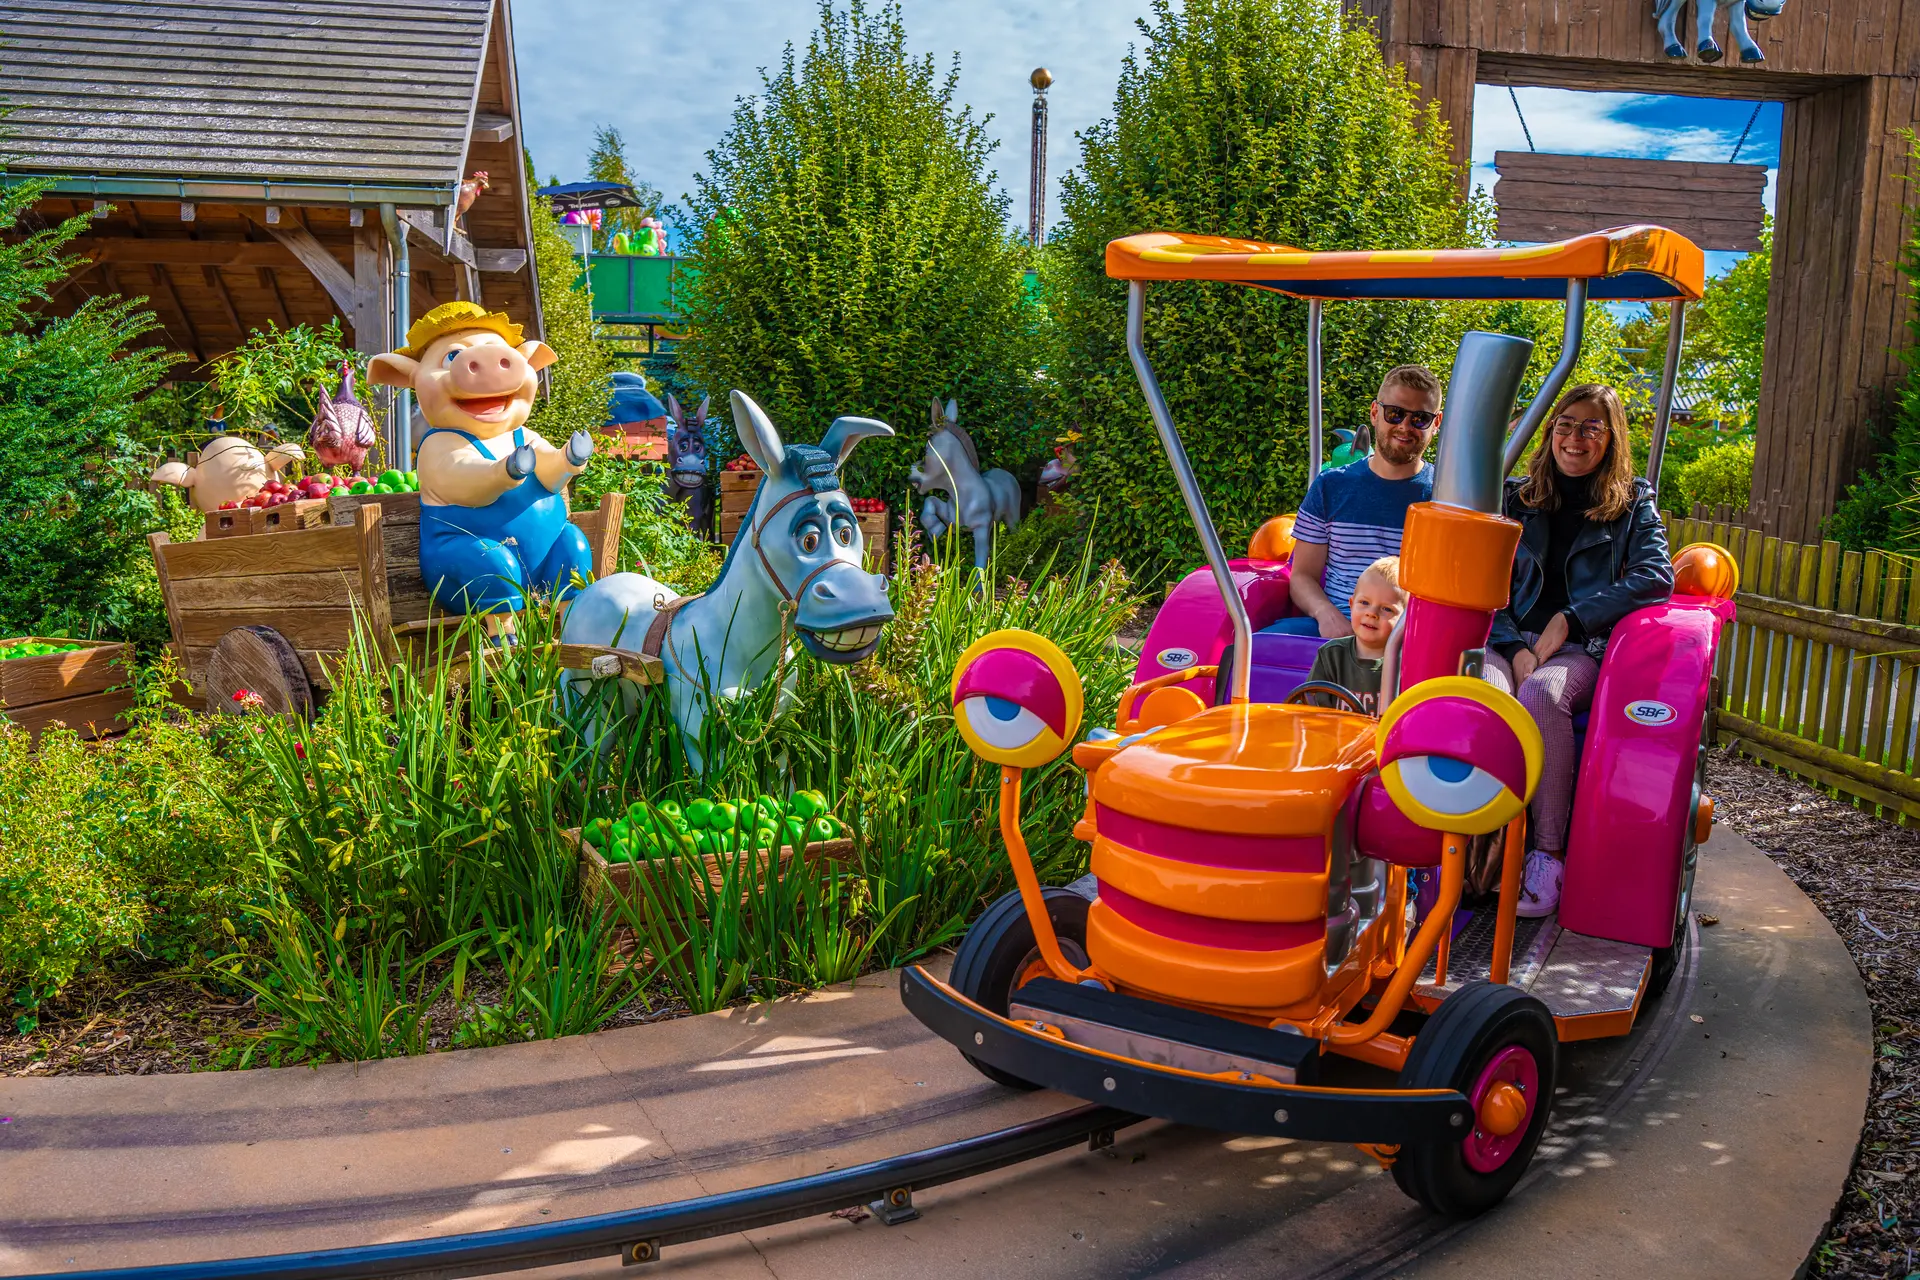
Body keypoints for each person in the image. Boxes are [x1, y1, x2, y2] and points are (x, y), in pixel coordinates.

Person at [1484, 383, 1675, 917]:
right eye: (1565, 424)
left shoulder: (1632, 502)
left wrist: (1571, 619)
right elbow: (1481, 577)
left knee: (1543, 695)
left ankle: (1548, 853)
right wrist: (1509, 643)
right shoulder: (1514, 498)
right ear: (1549, 431)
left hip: (1580, 647)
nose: (1575, 437)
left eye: (1591, 427)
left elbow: (1655, 575)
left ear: (1610, 437)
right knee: (1484, 691)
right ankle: (1476, 847)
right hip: (1506, 638)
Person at [1274, 365, 1443, 637]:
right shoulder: (1331, 486)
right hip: (1335, 626)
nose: (1405, 427)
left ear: (1436, 424)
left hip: (1407, 637)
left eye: (1420, 418)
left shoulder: (1444, 498)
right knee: (1253, 651)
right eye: (1395, 413)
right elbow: (1303, 576)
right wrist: (1326, 615)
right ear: (1376, 413)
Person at [1303, 556, 1406, 714]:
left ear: (1405, 620)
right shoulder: (1331, 655)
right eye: (1364, 603)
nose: (1371, 613)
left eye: (1387, 609)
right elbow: (1311, 711)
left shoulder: (1407, 663)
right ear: (1351, 605)